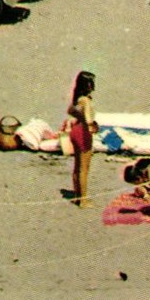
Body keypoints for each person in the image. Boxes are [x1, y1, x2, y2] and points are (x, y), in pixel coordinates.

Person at [65, 71, 97, 206]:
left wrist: (80, 117)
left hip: (75, 131)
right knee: (84, 168)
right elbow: (89, 119)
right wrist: (93, 125)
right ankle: (83, 200)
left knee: (77, 166)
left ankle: (78, 196)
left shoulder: (77, 98)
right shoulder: (86, 100)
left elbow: (70, 110)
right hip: (83, 132)